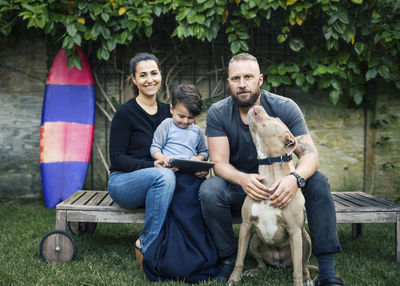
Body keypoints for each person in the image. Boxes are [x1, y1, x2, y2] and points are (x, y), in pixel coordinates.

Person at [199, 53, 343, 286]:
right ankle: (228, 260)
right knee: (210, 189)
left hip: (282, 185)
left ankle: (326, 270)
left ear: (260, 80)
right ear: (228, 83)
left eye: (248, 77)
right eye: (236, 78)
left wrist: (295, 179)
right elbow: (219, 163)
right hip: (243, 189)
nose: (242, 84)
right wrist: (243, 179)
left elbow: (310, 155)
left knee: (317, 180)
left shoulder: (284, 108)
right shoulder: (218, 112)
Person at [107, 52, 176, 270]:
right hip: (124, 183)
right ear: (134, 80)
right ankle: (148, 245)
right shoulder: (125, 113)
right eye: (143, 75)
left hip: (160, 181)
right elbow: (117, 159)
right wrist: (152, 166)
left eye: (154, 73)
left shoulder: (168, 111)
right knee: (164, 176)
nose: (150, 80)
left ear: (160, 75)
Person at [150, 84, 209, 166]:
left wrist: (199, 158)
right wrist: (162, 158)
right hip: (170, 167)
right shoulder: (167, 125)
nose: (185, 121)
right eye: (181, 116)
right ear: (171, 109)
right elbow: (155, 147)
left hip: (190, 169)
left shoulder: (197, 131)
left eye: (190, 117)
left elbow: (204, 151)